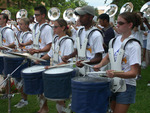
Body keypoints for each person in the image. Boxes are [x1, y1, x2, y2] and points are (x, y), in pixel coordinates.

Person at [93, 12, 141, 113]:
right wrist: (100, 65)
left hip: (127, 86)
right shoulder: (115, 40)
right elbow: (108, 57)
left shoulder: (134, 45)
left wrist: (116, 73)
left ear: (130, 25)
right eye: (117, 22)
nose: (117, 25)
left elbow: (134, 73)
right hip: (113, 82)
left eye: (120, 23)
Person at [37, 18, 74, 113]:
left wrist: (51, 67)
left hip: (64, 73)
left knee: (60, 98)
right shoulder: (56, 39)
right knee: (56, 97)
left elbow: (67, 62)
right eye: (53, 27)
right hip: (56, 71)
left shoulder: (68, 41)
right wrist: (40, 59)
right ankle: (45, 109)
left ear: (62, 28)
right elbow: (50, 54)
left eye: (56, 27)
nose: (54, 29)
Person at [62, 5, 104, 77]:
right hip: (81, 72)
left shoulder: (96, 34)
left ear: (90, 17)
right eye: (79, 16)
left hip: (92, 74)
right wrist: (68, 56)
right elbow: (77, 51)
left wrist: (85, 62)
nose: (79, 19)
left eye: (82, 16)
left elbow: (99, 57)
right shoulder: (79, 31)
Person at [13, 17, 32, 108]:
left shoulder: (29, 35)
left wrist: (22, 49)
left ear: (26, 25)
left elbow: (30, 49)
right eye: (19, 24)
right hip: (18, 58)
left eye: (21, 24)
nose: (19, 26)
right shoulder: (19, 33)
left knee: (21, 81)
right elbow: (17, 45)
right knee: (17, 80)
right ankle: (22, 99)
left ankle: (25, 100)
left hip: (24, 60)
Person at [0, 13, 16, 99]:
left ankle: (9, 93)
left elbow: (13, 44)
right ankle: (6, 93)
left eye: (0, 19)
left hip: (6, 55)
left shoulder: (8, 31)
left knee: (6, 74)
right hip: (1, 54)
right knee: (3, 75)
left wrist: (2, 47)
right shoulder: (0, 30)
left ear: (5, 20)